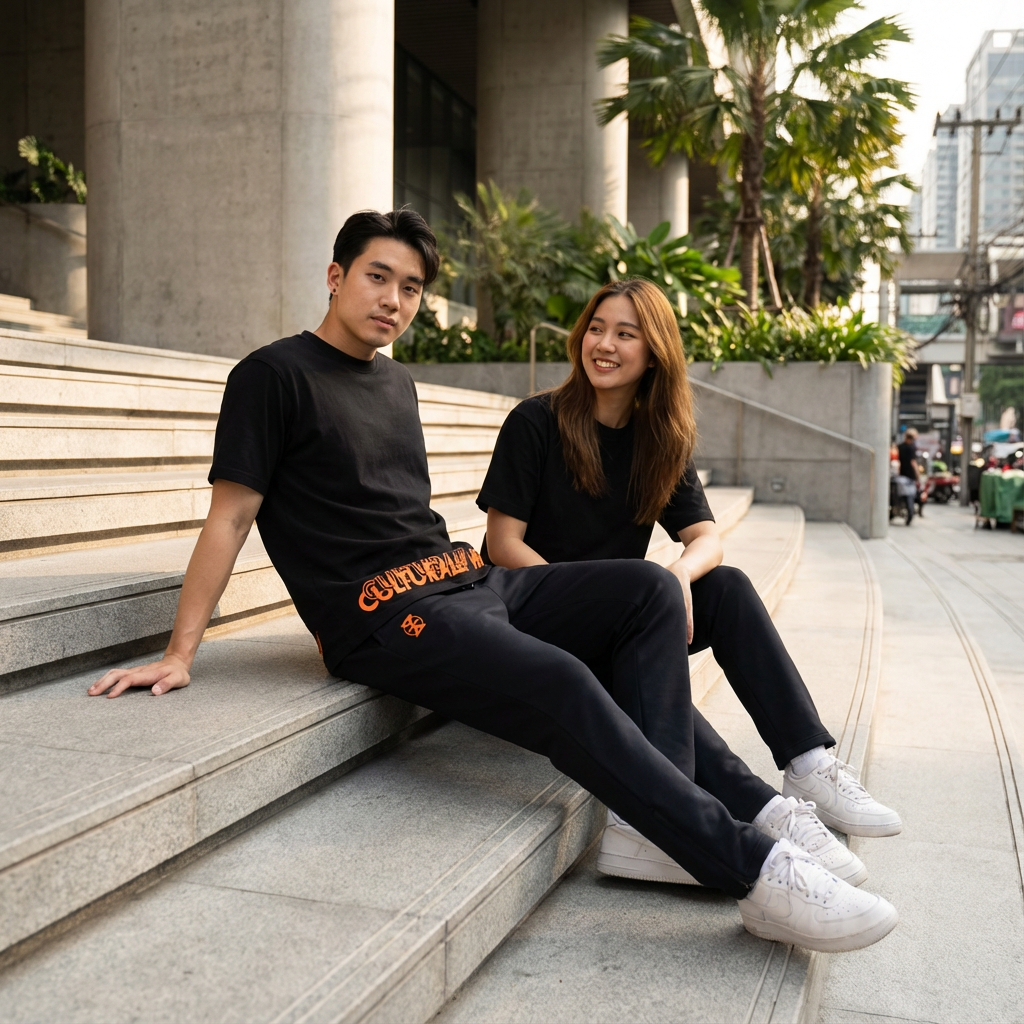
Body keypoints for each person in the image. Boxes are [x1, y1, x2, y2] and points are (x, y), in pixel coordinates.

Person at [88, 211, 897, 953]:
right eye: (377, 277)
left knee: (648, 588)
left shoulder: (395, 383)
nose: (394, 300)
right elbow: (230, 518)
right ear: (335, 277)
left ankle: (676, 815)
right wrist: (181, 651)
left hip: (466, 581)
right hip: (384, 614)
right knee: (562, 677)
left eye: (411, 288)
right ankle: (753, 870)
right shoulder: (273, 375)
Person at [478, 278, 903, 888]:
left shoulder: (660, 440)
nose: (604, 344)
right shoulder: (537, 420)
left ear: (655, 352)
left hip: (627, 613)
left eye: (626, 334)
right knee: (645, 632)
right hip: (530, 609)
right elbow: (502, 544)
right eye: (597, 328)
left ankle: (807, 762)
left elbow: (706, 538)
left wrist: (678, 573)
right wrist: (595, 601)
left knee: (724, 586)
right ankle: (762, 811)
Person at [895, 428, 920, 523]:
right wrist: (917, 474)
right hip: (910, 475)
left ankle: (901, 508)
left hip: (901, 474)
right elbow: (913, 462)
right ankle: (909, 511)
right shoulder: (911, 448)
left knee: (901, 494)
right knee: (911, 494)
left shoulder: (900, 446)